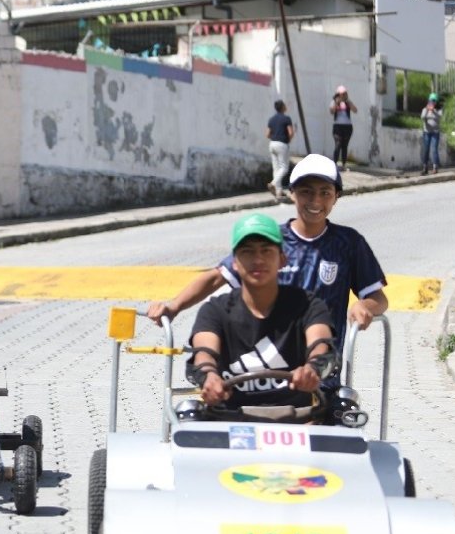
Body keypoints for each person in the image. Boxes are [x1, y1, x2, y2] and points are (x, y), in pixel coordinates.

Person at [147, 154, 388, 389]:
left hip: (319, 375)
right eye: (306, 191)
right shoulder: (269, 240)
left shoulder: (349, 244)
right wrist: (174, 306)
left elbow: (378, 298)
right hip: (259, 374)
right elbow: (216, 277)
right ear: (292, 193)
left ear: (336, 197)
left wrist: (364, 306)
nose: (315, 201)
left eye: (325, 193)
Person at [188, 213, 335, 410]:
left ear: (282, 260)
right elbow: (203, 354)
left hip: (298, 423)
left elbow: (320, 345)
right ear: (234, 263)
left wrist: (311, 369)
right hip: (230, 422)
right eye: (247, 252)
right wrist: (209, 376)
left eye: (266, 251)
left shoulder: (308, 305)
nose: (258, 260)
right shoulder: (214, 310)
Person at [265, 99, 295, 200]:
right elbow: (290, 133)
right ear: (282, 107)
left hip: (272, 144)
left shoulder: (271, 119)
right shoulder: (286, 118)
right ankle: (273, 184)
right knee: (284, 168)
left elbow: (267, 134)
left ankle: (278, 191)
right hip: (282, 144)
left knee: (276, 168)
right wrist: (287, 141)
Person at [329, 85, 357, 171]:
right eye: (341, 94)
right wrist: (337, 103)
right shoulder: (334, 102)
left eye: (344, 94)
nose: (343, 95)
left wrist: (348, 102)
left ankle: (344, 164)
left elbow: (355, 110)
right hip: (337, 126)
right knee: (338, 144)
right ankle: (334, 164)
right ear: (338, 94)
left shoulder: (348, 102)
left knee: (344, 146)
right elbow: (331, 111)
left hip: (347, 127)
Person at [421, 93, 442, 175]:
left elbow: (439, 117)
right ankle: (425, 167)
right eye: (431, 100)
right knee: (426, 150)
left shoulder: (439, 110)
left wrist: (433, 110)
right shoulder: (425, 109)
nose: (432, 102)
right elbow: (422, 117)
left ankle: (435, 167)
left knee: (434, 149)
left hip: (435, 132)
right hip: (427, 132)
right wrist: (427, 110)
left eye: (434, 101)